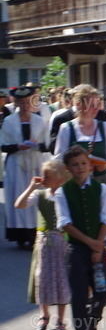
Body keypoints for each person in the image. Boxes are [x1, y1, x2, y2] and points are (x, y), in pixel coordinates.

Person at [53, 146, 106, 330]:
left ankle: (92, 319)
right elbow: (65, 223)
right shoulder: (63, 192)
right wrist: (90, 243)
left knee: (103, 290)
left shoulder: (101, 189)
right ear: (68, 168)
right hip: (76, 249)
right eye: (75, 165)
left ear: (90, 165)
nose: (80, 168)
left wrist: (98, 244)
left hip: (97, 246)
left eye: (83, 163)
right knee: (78, 295)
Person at [53, 84, 106, 250]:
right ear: (78, 105)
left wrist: (105, 165)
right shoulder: (67, 128)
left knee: (102, 223)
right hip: (75, 184)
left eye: (98, 103)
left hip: (101, 182)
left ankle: (103, 258)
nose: (96, 108)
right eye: (91, 104)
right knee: (80, 223)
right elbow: (58, 160)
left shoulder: (104, 127)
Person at [14, 160, 71, 330]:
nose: (43, 179)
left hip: (62, 243)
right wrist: (31, 187)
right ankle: (44, 314)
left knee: (62, 281)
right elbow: (19, 204)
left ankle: (61, 319)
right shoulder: (40, 195)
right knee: (43, 279)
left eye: (47, 176)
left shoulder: (65, 196)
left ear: (60, 179)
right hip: (44, 244)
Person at [2, 87, 50, 248]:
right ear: (16, 103)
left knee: (34, 198)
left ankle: (34, 234)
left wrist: (37, 144)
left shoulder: (38, 121)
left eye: (27, 102)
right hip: (16, 164)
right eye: (21, 103)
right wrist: (18, 146)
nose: (25, 106)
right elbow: (4, 146)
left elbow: (47, 145)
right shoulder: (9, 121)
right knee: (17, 197)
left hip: (34, 163)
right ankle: (20, 235)